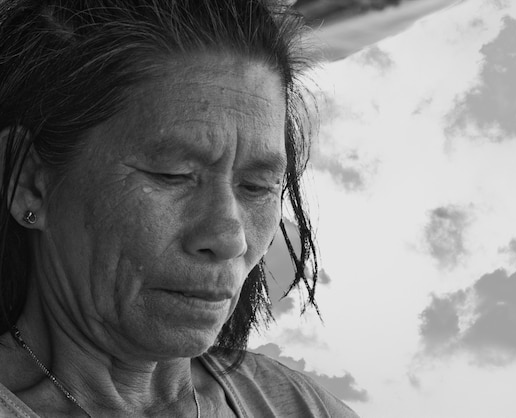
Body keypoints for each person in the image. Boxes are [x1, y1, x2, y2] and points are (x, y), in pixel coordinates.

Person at [0, 0, 359, 416]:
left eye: (257, 186)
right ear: (29, 184)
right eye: (172, 175)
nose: (229, 238)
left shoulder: (298, 405)